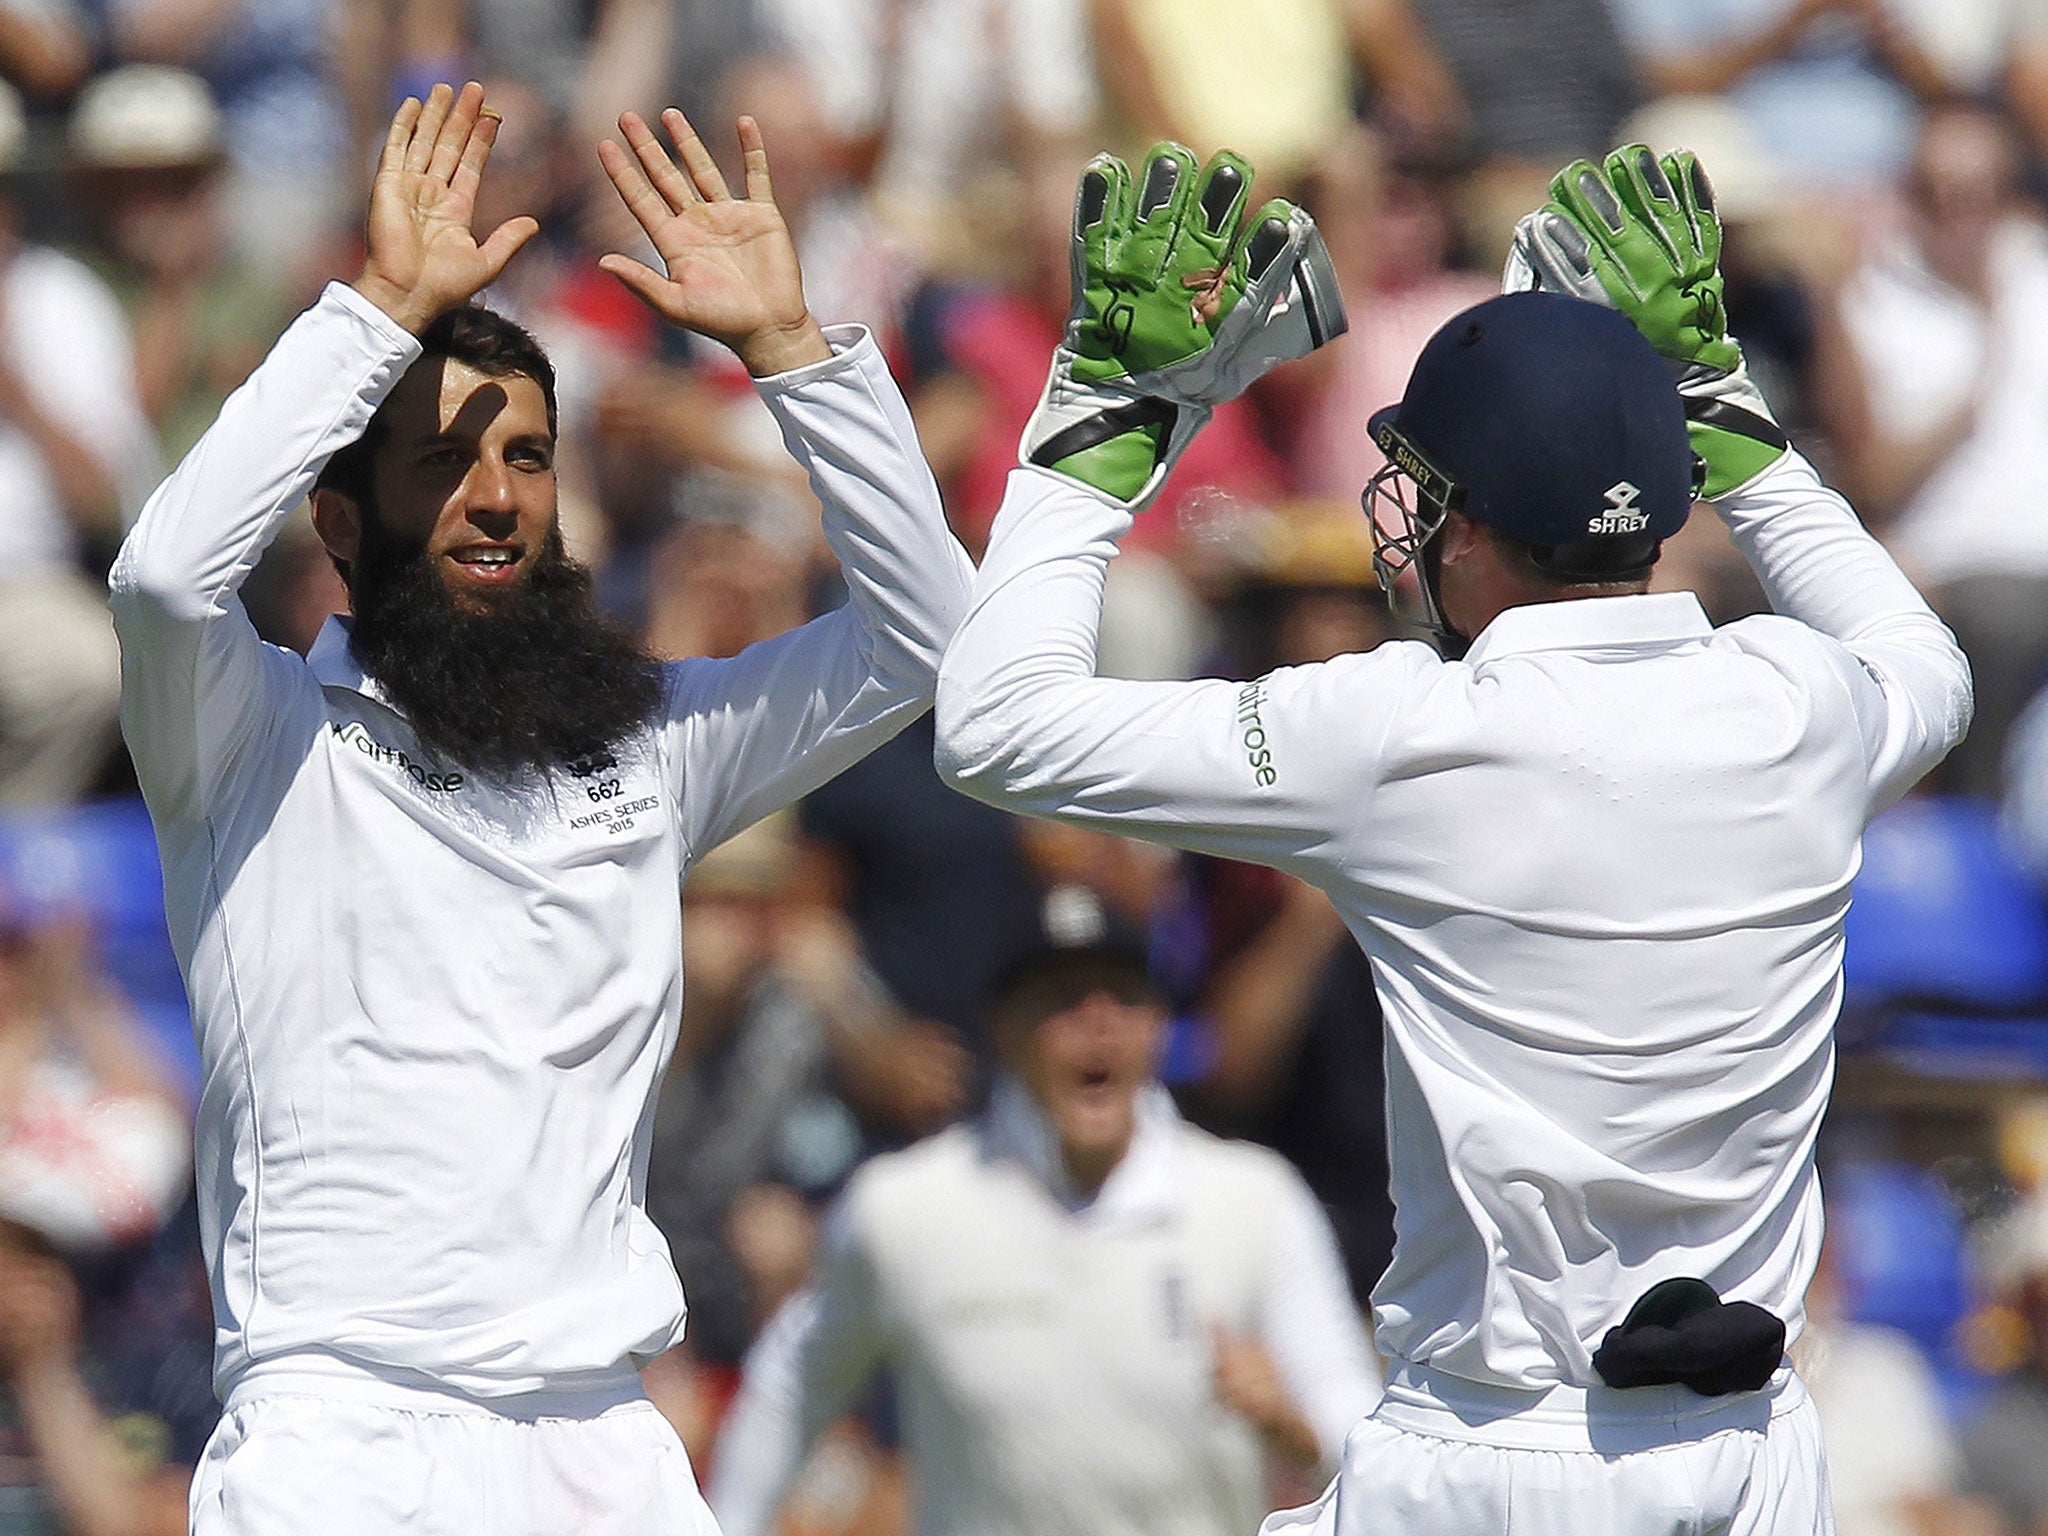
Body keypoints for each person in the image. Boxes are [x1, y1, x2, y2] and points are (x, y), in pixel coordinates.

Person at [931, 140, 1970, 1533]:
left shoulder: (1398, 734)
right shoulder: (1807, 702)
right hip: (1758, 1461)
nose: (1402, 518)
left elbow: (994, 726)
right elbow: (1934, 669)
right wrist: (1724, 402)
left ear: (1476, 530)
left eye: (1423, 487)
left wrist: (1106, 409)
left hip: (1491, 1462)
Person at [107, 80, 972, 1535]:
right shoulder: (249, 737)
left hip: (600, 1446)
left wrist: (788, 351)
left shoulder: (650, 748)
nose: (497, 497)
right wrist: (377, 307)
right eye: (443, 461)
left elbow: (929, 640)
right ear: (340, 524)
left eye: (524, 459)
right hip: (340, 1437)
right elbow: (160, 577)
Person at [707, 892, 1381, 1536]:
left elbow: (1352, 1425)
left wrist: (1295, 1430)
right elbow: (789, 1390)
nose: (1098, 1025)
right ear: (1005, 1028)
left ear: (1156, 1023)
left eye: (1123, 997)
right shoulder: (904, 1208)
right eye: (1061, 999)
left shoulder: (1254, 1200)